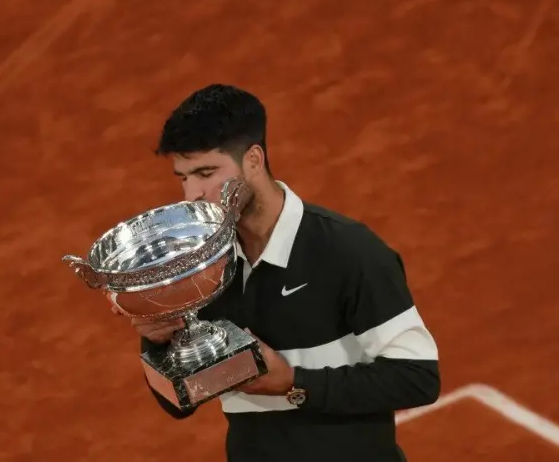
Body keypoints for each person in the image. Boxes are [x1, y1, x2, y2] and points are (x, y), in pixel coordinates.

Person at [117, 84, 441, 462]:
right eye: (184, 177)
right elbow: (179, 402)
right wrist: (158, 341)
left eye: (206, 172)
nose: (193, 194)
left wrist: (293, 383)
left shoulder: (348, 252)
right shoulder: (203, 268)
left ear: (253, 160)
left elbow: (417, 377)